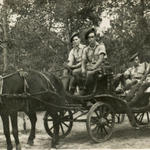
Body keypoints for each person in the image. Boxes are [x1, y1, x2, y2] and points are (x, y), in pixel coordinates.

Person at [81, 27, 108, 93]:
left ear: (95, 37)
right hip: (90, 67)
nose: (91, 39)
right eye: (89, 38)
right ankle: (79, 89)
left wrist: (93, 67)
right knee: (76, 72)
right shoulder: (86, 49)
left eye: (92, 37)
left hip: (100, 68)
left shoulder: (101, 46)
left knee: (89, 73)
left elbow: (101, 59)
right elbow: (83, 61)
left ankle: (87, 91)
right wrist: (83, 69)